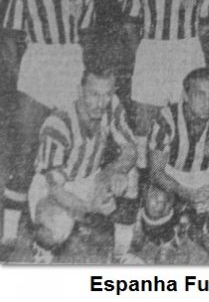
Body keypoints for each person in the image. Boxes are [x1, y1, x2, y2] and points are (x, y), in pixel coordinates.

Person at [1, 0, 96, 255]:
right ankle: (9, 232)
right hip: (37, 67)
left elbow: (87, 38)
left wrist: (81, 77)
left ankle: (66, 220)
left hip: (70, 66)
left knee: (71, 147)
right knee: (26, 150)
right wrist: (20, 77)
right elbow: (9, 39)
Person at [121, 0, 209, 175]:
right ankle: (138, 180)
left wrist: (193, 52)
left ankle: (180, 173)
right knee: (145, 119)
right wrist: (140, 56)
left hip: (188, 50)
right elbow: (129, 24)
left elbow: (206, 25)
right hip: (152, 50)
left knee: (187, 114)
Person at [24, 68, 141, 264]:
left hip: (90, 177)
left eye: (107, 94)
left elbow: (131, 148)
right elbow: (56, 190)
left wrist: (120, 171)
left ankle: (121, 253)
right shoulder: (58, 123)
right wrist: (90, 208)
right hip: (54, 188)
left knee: (130, 174)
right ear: (80, 91)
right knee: (55, 225)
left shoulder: (112, 105)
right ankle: (42, 250)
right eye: (94, 94)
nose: (101, 103)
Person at [139, 68, 209, 262]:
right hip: (175, 175)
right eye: (199, 95)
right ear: (186, 96)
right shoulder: (166, 118)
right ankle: (169, 238)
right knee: (155, 201)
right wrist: (183, 192)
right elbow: (156, 172)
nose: (207, 102)